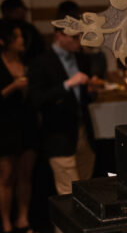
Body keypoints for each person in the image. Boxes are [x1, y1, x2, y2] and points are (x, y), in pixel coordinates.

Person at [28, 11, 100, 195]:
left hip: (83, 132)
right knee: (68, 193)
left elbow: (84, 99)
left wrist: (91, 91)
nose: (79, 41)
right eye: (74, 37)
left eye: (80, 36)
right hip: (58, 134)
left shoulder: (82, 59)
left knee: (86, 189)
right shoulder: (41, 62)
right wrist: (67, 85)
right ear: (59, 35)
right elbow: (36, 100)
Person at [0, 21, 38, 233]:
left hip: (27, 122)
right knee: (6, 176)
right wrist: (13, 86)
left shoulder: (27, 62)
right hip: (5, 124)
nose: (21, 40)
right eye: (16, 37)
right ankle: (5, 223)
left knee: (25, 173)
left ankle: (23, 218)